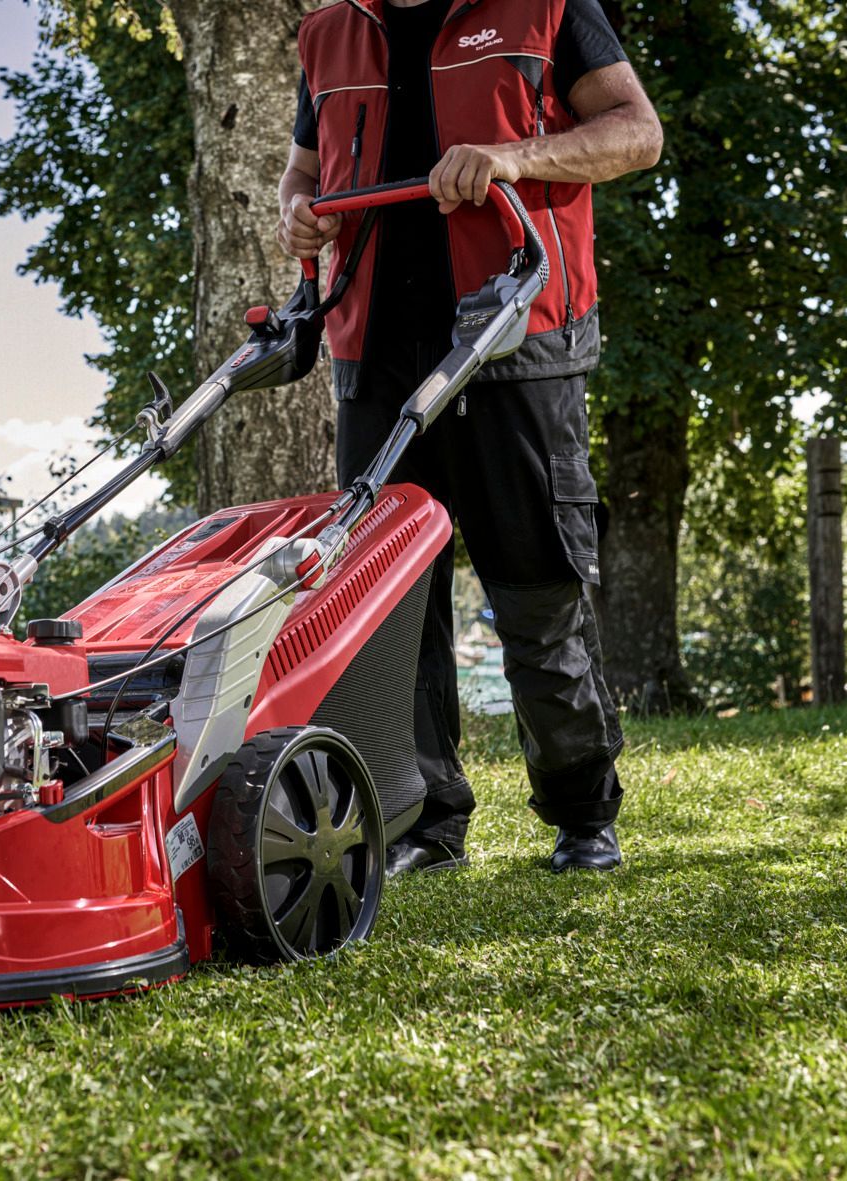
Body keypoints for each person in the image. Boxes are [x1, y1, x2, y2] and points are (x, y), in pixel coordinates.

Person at [277, 0, 662, 872]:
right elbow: (301, 174)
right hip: (374, 355)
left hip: (514, 339)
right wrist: (300, 211)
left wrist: (515, 158)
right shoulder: (327, 33)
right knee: (391, 611)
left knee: (536, 586)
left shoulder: (547, 9)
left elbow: (638, 134)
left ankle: (582, 815)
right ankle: (424, 822)